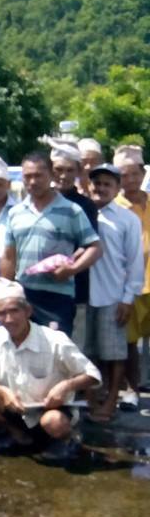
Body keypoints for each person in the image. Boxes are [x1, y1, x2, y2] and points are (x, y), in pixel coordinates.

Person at [0, 278, 101, 459]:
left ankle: (68, 439)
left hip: (49, 410)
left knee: (53, 422)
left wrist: (65, 386)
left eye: (14, 311)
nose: (9, 319)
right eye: (2, 313)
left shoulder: (54, 339)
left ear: (28, 311)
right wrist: (2, 391)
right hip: (14, 409)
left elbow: (93, 374)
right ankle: (15, 434)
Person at [0, 153, 102, 336]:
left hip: (58, 298)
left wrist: (71, 270)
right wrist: (4, 291)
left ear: (51, 176)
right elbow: (9, 256)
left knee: (56, 355)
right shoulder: (15, 213)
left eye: (38, 175)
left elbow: (95, 248)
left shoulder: (72, 210)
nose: (33, 181)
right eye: (27, 176)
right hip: (24, 295)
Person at [85, 164, 144, 421]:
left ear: (117, 189)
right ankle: (90, 400)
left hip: (112, 296)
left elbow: (135, 263)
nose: (101, 188)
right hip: (83, 297)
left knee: (115, 353)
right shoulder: (81, 213)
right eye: (97, 183)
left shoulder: (127, 219)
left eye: (108, 184)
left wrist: (127, 298)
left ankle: (111, 401)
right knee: (85, 353)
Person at [49, 140, 100, 348]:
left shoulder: (85, 205)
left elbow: (89, 244)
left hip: (76, 288)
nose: (64, 175)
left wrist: (68, 266)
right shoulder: (40, 201)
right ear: (51, 171)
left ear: (78, 171)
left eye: (70, 170)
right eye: (59, 169)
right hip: (43, 290)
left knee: (74, 348)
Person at [113, 145, 150, 402]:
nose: (131, 180)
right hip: (131, 285)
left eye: (135, 174)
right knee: (129, 343)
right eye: (124, 176)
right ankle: (132, 391)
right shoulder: (114, 208)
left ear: (143, 173)